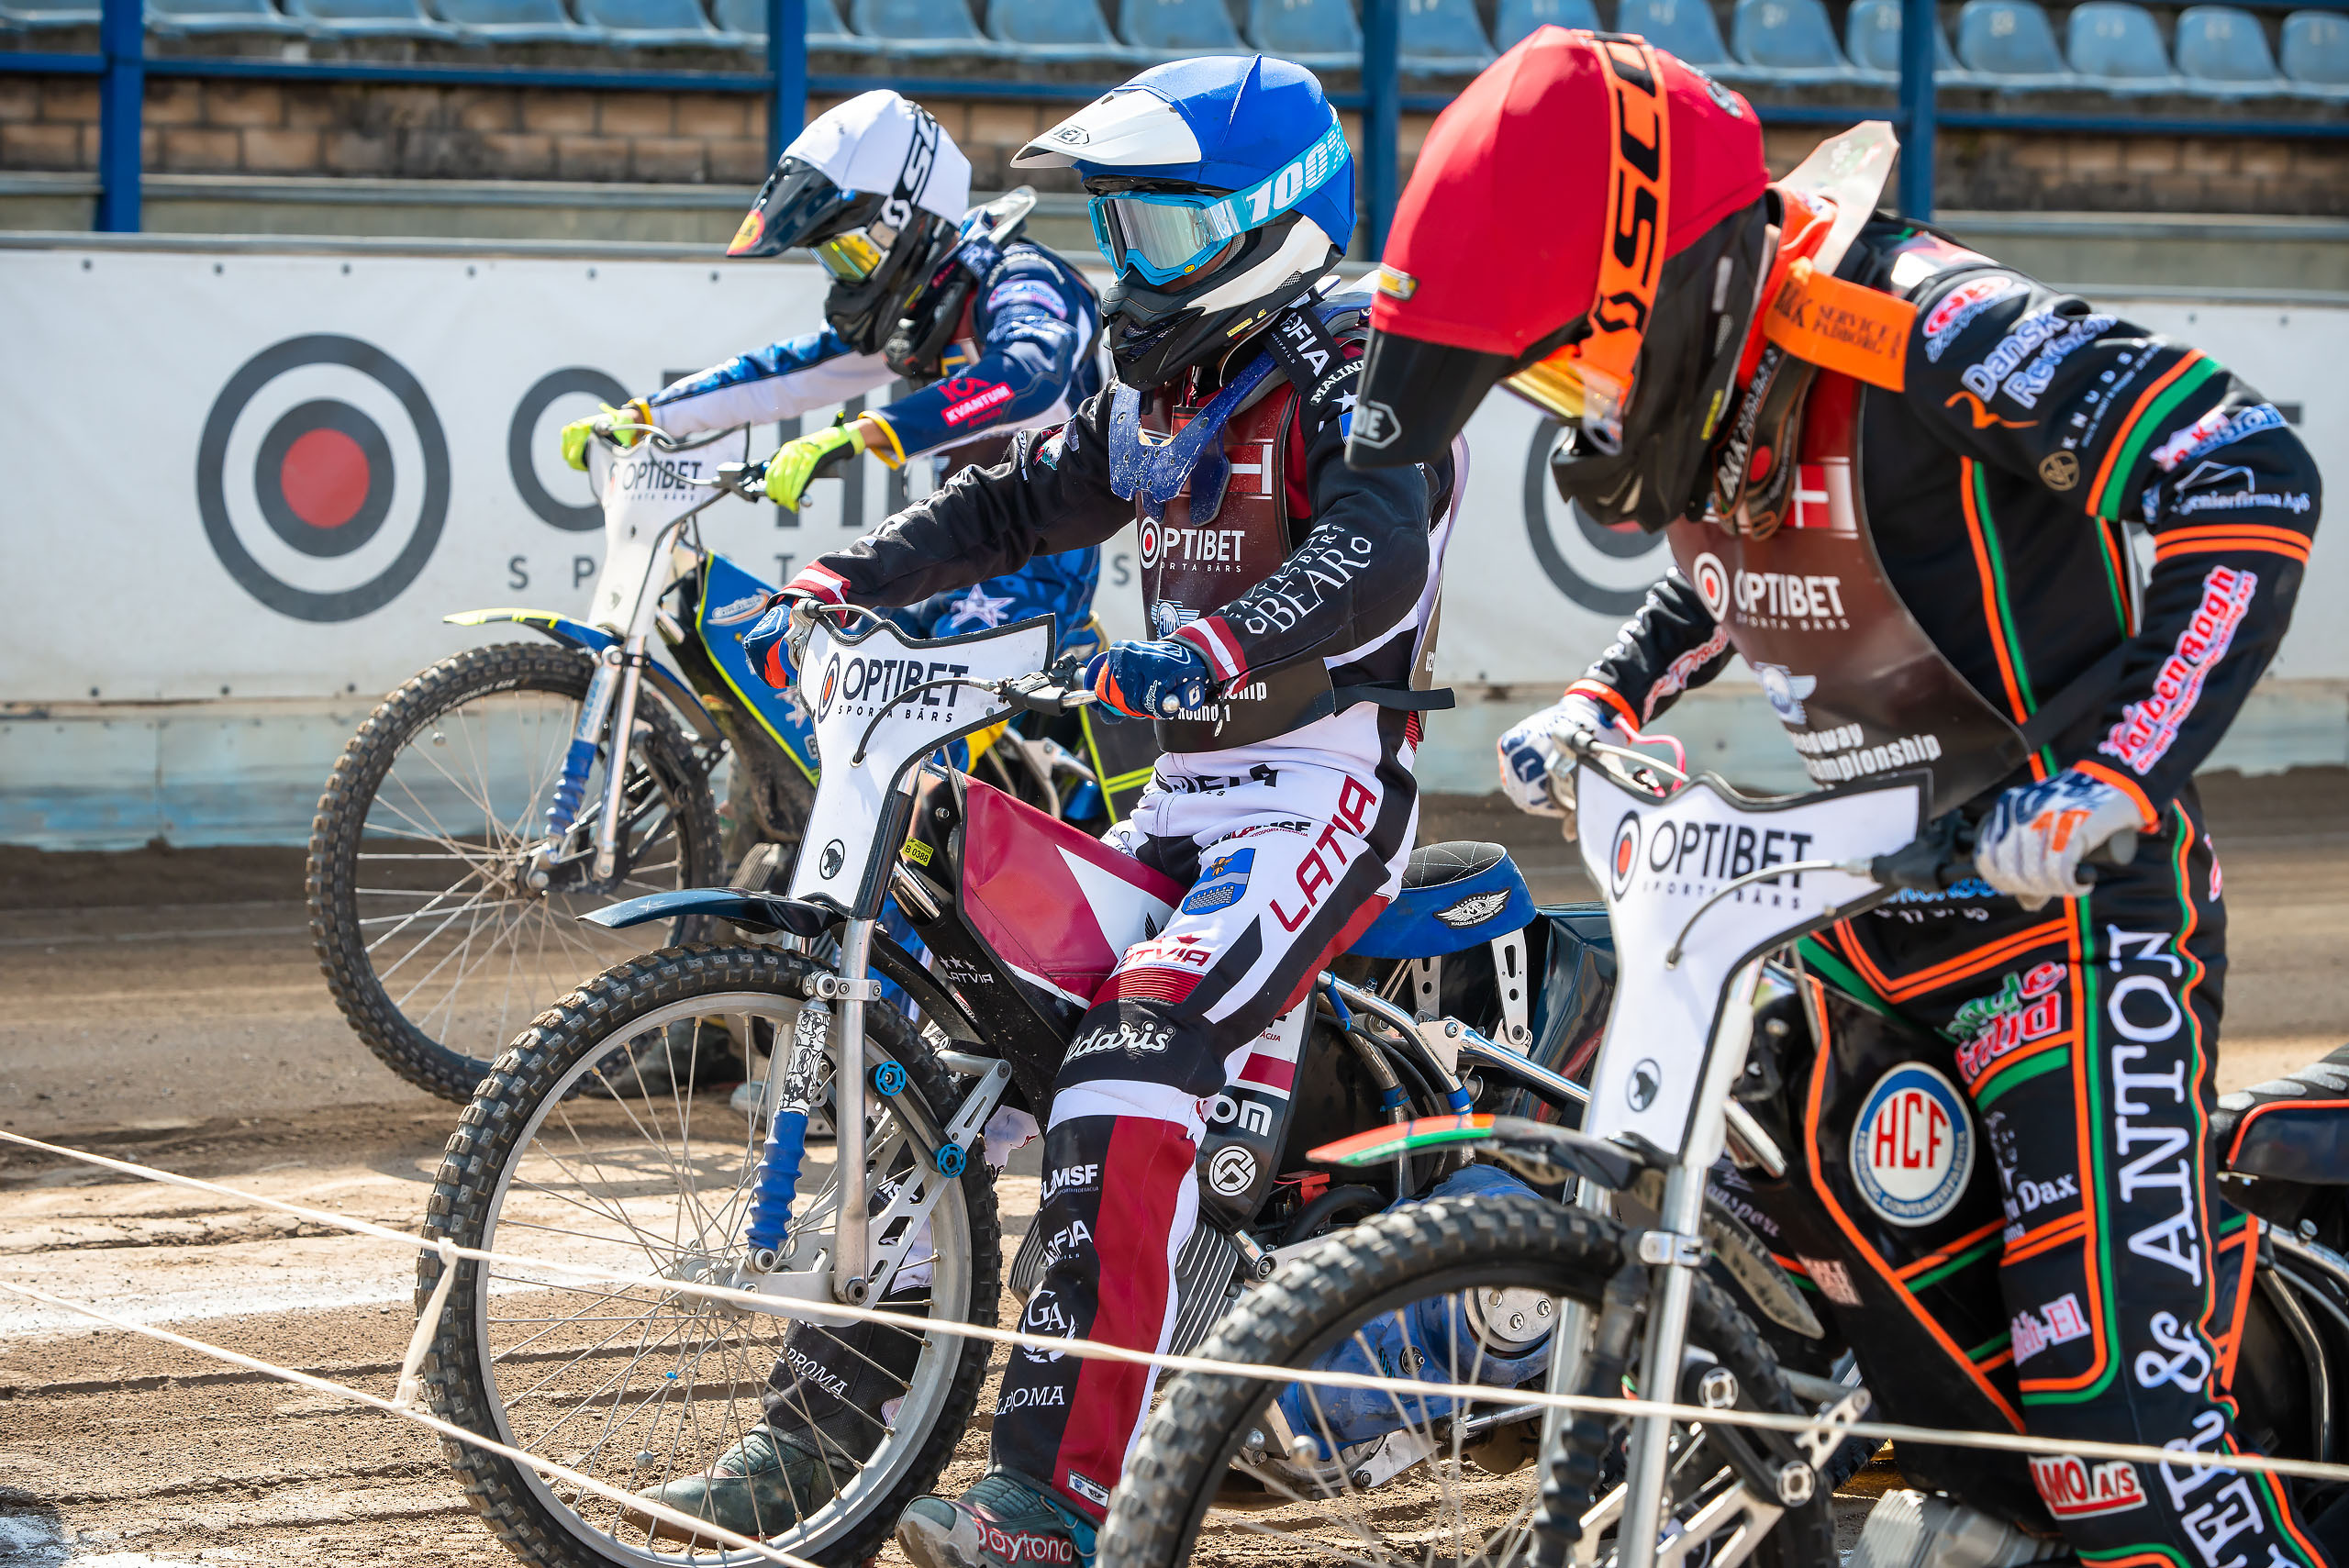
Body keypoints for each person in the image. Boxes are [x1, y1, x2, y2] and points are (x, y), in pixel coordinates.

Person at [1347, 27, 2328, 1566]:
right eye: (1546, 377)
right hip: (1850, 927)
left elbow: (2242, 467)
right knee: (1847, 1368)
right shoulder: (1710, 379)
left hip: (2066, 933)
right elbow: (1739, 568)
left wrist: (2116, 772)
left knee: (2110, 1440)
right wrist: (1607, 694)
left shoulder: (1922, 326)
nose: (1582, 409)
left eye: (1579, 358)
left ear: (1665, 279)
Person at [635, 54, 1460, 1566]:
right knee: (928, 1055)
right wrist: (861, 575)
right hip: (1180, 795)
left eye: (1156, 225)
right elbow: (1027, 500)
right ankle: (815, 1444)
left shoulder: (1356, 351)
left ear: (1266, 216)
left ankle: (1055, 1507)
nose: (1124, 260)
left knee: (1128, 1072)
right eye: (1118, 226)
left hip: (1325, 782)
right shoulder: (1170, 379)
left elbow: (1379, 543)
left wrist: (1204, 646)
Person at [561, 88, 1116, 1095]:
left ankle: (858, 1067)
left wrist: (870, 434)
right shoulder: (919, 306)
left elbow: (1033, 378)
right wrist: (651, 414)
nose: (845, 276)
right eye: (832, 260)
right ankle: (723, 1015)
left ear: (911, 222)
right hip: (944, 557)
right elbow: (788, 374)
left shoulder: (1017, 279)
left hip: (1033, 574)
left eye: (852, 250)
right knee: (781, 721)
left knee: (899, 772)